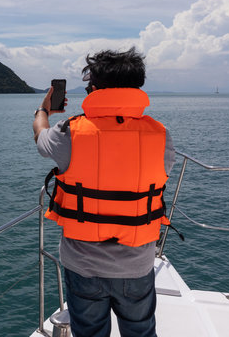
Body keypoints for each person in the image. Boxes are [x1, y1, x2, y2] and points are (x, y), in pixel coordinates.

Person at [32, 47, 176, 337]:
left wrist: (44, 109)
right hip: (137, 264)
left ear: (94, 88)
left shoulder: (69, 132)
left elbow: (40, 135)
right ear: (137, 87)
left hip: (82, 264)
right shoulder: (161, 135)